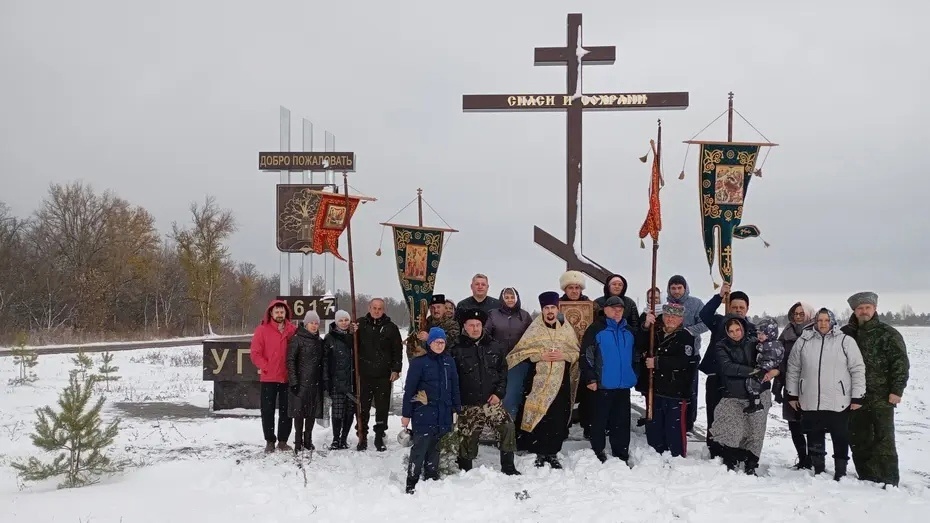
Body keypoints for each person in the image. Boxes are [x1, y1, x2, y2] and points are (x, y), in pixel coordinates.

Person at [786, 308, 865, 480]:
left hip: (838, 399)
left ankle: (840, 471)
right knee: (814, 434)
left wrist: (857, 396)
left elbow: (857, 369)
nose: (822, 324)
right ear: (815, 321)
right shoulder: (804, 341)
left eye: (826, 320)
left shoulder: (845, 341)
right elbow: (793, 368)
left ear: (832, 322)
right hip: (810, 398)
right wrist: (792, 394)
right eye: (819, 320)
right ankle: (819, 468)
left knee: (840, 435)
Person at [841, 291, 909, 487]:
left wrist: (897, 390)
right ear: (854, 311)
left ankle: (889, 479)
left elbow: (900, 364)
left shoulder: (888, 334)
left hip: (882, 396)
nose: (864, 311)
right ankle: (866, 476)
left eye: (867, 308)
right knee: (858, 436)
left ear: (875, 309)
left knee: (884, 439)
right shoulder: (846, 334)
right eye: (859, 308)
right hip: (853, 397)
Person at [507, 291, 580, 469]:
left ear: (557, 308)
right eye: (546, 308)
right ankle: (538, 450)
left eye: (552, 307)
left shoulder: (566, 329)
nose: (549, 311)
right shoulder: (534, 329)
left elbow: (576, 352)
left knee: (557, 416)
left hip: (560, 382)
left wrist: (564, 355)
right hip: (537, 381)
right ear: (542, 310)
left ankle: (552, 452)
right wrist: (540, 354)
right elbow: (518, 353)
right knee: (540, 415)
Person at [450, 308, 520, 475]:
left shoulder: (494, 346)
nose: (475, 328)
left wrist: (499, 393)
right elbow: (452, 378)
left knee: (507, 427)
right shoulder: (455, 348)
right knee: (467, 436)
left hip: (491, 401)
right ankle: (465, 468)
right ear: (464, 327)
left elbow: (503, 372)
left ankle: (508, 466)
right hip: (468, 403)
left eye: (478, 325)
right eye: (471, 325)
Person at [710, 316, 776, 475]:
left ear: (743, 328)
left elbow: (773, 357)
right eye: (731, 331)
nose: (735, 334)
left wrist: (775, 370)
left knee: (756, 430)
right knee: (733, 429)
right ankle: (730, 459)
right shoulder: (722, 346)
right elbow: (728, 367)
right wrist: (753, 372)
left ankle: (751, 463)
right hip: (734, 393)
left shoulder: (755, 342)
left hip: (759, 392)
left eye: (738, 329)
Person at [698, 282, 758, 457]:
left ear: (747, 308)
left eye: (741, 307)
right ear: (728, 307)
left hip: (739, 380)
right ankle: (714, 447)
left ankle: (735, 447)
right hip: (717, 376)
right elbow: (704, 313)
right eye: (734, 306)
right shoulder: (719, 322)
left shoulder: (752, 330)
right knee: (715, 412)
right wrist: (719, 296)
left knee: (736, 416)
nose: (738, 310)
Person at [402, 327, 462, 494]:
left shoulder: (449, 362)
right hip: (424, 411)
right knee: (420, 447)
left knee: (435, 446)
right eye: (436, 341)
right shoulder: (419, 362)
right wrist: (406, 414)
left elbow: (454, 386)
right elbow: (410, 390)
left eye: (442, 342)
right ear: (429, 343)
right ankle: (412, 480)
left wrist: (457, 407)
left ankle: (431, 475)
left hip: (443, 411)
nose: (439, 345)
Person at [580, 296, 636, 464]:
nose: (617, 311)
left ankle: (621, 453)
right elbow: (586, 355)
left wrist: (635, 374)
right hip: (602, 384)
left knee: (621, 421)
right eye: (613, 308)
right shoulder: (596, 329)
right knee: (599, 421)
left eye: (620, 308)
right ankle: (598, 451)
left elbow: (637, 356)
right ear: (605, 310)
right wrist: (590, 378)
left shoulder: (629, 331)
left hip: (623, 385)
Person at [641, 303, 699, 458]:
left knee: (674, 428)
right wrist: (646, 325)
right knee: (655, 425)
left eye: (674, 316)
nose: (670, 319)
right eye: (667, 316)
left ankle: (677, 456)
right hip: (656, 389)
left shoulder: (685, 337)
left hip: (675, 392)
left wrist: (658, 362)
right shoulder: (656, 332)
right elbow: (640, 344)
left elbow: (682, 361)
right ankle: (655, 453)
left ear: (681, 319)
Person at [249, 299, 298, 453]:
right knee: (267, 410)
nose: (279, 314)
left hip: (286, 378)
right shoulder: (262, 330)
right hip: (269, 378)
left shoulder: (292, 330)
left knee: (286, 411)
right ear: (271, 312)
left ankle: (283, 441)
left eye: (282, 312)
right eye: (276, 312)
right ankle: (270, 440)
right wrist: (266, 366)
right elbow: (255, 353)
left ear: (286, 313)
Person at [356, 298, 403, 451]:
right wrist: (351, 331)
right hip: (364, 374)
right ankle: (362, 436)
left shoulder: (391, 328)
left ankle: (379, 436)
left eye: (380, 308)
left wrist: (396, 369)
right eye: (374, 308)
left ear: (384, 310)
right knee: (363, 407)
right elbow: (350, 343)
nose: (377, 311)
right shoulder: (360, 324)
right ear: (369, 308)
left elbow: (397, 350)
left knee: (382, 408)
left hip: (383, 375)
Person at [773, 301, 816, 469]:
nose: (798, 317)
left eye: (801, 313)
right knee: (794, 424)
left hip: (812, 387)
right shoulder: (786, 334)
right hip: (790, 385)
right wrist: (777, 388)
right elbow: (779, 362)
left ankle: (814, 459)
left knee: (812, 425)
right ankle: (802, 457)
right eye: (795, 314)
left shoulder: (816, 333)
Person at [665, 275, 709, 432]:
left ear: (685, 288)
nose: (676, 291)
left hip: (690, 354)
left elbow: (706, 322)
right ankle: (672, 420)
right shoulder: (666, 305)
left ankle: (689, 423)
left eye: (679, 288)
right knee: (671, 389)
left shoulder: (696, 304)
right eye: (673, 288)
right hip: (669, 355)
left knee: (690, 390)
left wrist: (689, 331)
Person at [485, 287, 533, 420]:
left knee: (512, 395)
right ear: (502, 299)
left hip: (519, 362)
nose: (510, 300)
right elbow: (486, 334)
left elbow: (532, 336)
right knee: (496, 393)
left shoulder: (524, 316)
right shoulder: (493, 314)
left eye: (512, 297)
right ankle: (496, 424)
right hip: (497, 361)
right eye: (507, 297)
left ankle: (510, 424)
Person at [286, 311, 325, 452]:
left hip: (315, 383)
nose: (314, 326)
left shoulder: (320, 341)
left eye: (316, 323)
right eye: (311, 323)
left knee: (311, 413)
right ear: (306, 324)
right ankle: (298, 441)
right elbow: (290, 361)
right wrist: (294, 381)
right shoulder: (297, 339)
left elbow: (323, 362)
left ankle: (308, 439)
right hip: (300, 383)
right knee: (299, 413)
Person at [323, 310, 356, 450]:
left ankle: (344, 438)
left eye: (346, 320)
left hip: (352, 381)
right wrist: (326, 379)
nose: (344, 323)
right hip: (336, 381)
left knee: (349, 412)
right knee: (337, 411)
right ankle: (336, 439)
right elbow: (324, 361)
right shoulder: (329, 338)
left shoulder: (354, 337)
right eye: (341, 320)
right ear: (336, 322)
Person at [744, 318, 784, 414]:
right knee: (751, 383)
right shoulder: (764, 344)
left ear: (770, 334)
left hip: (764, 370)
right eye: (758, 333)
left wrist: (763, 369)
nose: (759, 336)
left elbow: (771, 360)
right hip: (761, 368)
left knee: (754, 384)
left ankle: (756, 403)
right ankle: (755, 403)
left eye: (763, 334)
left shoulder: (773, 346)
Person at [410, 294, 461, 359]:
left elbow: (450, 342)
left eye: (438, 307)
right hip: (425, 363)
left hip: (443, 361)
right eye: (432, 308)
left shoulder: (452, 324)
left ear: (444, 308)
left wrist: (430, 338)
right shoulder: (425, 323)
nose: (436, 310)